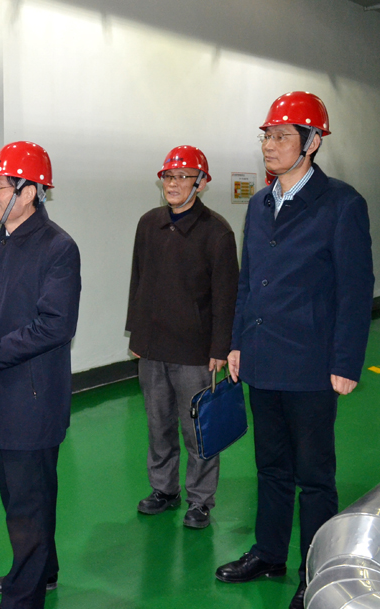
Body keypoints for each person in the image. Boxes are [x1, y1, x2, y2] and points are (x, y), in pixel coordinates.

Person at [214, 92, 374, 609]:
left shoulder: (342, 204)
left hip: (311, 365)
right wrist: (237, 342)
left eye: (282, 135)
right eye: (267, 135)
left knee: (315, 477)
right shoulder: (260, 204)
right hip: (262, 360)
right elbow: (247, 282)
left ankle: (315, 569)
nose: (270, 144)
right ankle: (269, 553)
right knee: (271, 467)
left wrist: (345, 361)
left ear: (312, 143)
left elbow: (355, 289)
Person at [0, 141, 81, 609]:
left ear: (28, 192)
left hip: (33, 398)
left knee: (28, 502)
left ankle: (24, 597)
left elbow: (54, 326)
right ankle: (41, 571)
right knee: (20, 496)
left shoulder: (58, 248)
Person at [126, 146, 238, 529]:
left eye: (183, 177)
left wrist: (220, 347)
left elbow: (226, 296)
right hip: (153, 348)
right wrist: (136, 334)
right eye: (168, 177)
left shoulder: (217, 232)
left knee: (198, 430)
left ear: (201, 183)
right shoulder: (148, 224)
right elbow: (138, 281)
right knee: (158, 425)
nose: (173, 185)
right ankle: (164, 490)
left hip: (195, 352)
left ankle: (200, 500)